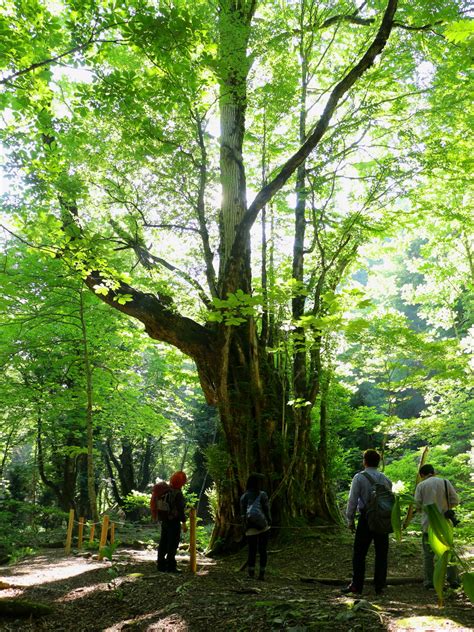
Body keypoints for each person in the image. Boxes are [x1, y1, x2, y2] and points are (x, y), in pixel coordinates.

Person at [344, 448, 392, 596]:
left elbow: (353, 500)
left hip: (366, 518)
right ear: (378, 462)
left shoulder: (359, 477)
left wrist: (350, 519)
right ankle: (380, 586)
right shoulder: (385, 479)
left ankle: (357, 585)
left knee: (359, 553)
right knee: (381, 553)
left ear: (364, 461)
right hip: (383, 520)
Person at [414, 464, 460, 589]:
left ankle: (429, 581)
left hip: (428, 525)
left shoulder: (421, 485)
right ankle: (453, 580)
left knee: (428, 555)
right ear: (433, 472)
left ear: (422, 475)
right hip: (445, 523)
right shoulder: (445, 482)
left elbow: (417, 506)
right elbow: (455, 500)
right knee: (448, 551)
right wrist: (445, 508)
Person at [240, 473, 271, 580]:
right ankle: (262, 574)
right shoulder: (263, 494)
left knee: (251, 551)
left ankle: (251, 573)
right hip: (263, 526)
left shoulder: (244, 496)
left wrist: (244, 527)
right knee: (263, 550)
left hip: (250, 528)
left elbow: (243, 514)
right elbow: (266, 509)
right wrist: (269, 520)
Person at [157, 471, 188, 573]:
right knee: (172, 543)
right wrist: (184, 523)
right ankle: (171, 566)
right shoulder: (177, 493)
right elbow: (180, 510)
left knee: (163, 542)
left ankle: (161, 565)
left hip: (165, 520)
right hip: (174, 522)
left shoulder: (166, 491)